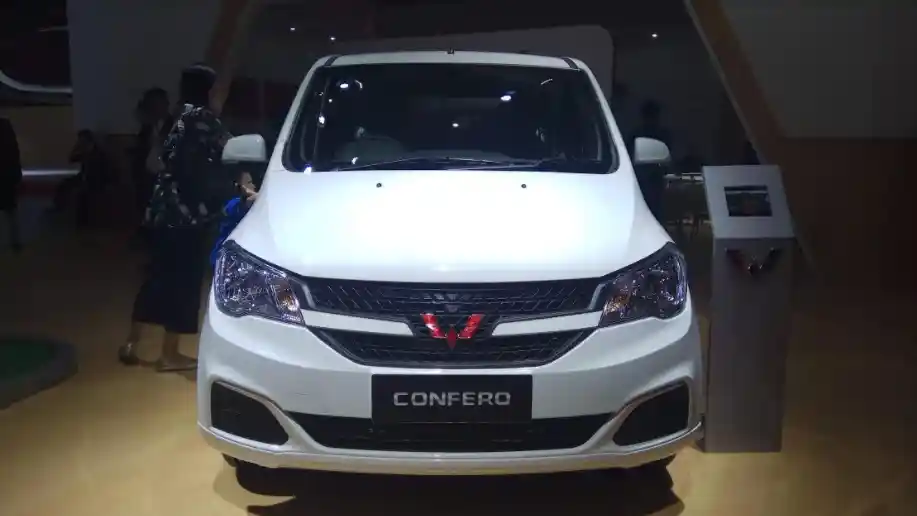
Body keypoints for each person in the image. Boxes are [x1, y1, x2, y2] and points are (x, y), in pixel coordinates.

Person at [119, 64, 235, 371]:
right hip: (190, 214)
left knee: (156, 276)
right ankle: (168, 354)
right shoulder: (206, 120)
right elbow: (232, 153)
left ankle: (131, 343)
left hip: (162, 211)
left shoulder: (175, 118)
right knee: (185, 281)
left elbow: (154, 162)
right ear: (209, 90)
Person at [131, 88, 174, 243]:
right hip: (146, 174)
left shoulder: (173, 124)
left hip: (165, 173)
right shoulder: (148, 125)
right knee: (144, 203)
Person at [55, 129, 110, 226]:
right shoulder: (85, 151)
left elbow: (101, 172)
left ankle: (82, 222)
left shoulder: (98, 153)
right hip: (84, 177)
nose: (80, 142)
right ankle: (59, 208)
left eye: (82, 140)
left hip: (96, 180)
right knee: (63, 185)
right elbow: (71, 159)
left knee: (82, 193)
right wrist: (76, 148)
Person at [630, 100, 672, 223]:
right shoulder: (636, 135)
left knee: (657, 212)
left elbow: (668, 158)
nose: (652, 119)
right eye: (649, 115)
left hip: (656, 180)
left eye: (654, 115)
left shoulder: (663, 135)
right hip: (640, 180)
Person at [210, 171, 258, 266]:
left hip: (231, 256)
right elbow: (261, 198)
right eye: (249, 182)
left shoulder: (235, 203)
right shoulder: (234, 204)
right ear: (239, 187)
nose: (253, 186)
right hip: (226, 257)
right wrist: (249, 192)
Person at [0, 117, 23, 252]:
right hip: (8, 177)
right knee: (11, 211)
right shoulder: (11, 144)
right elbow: (16, 160)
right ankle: (15, 241)